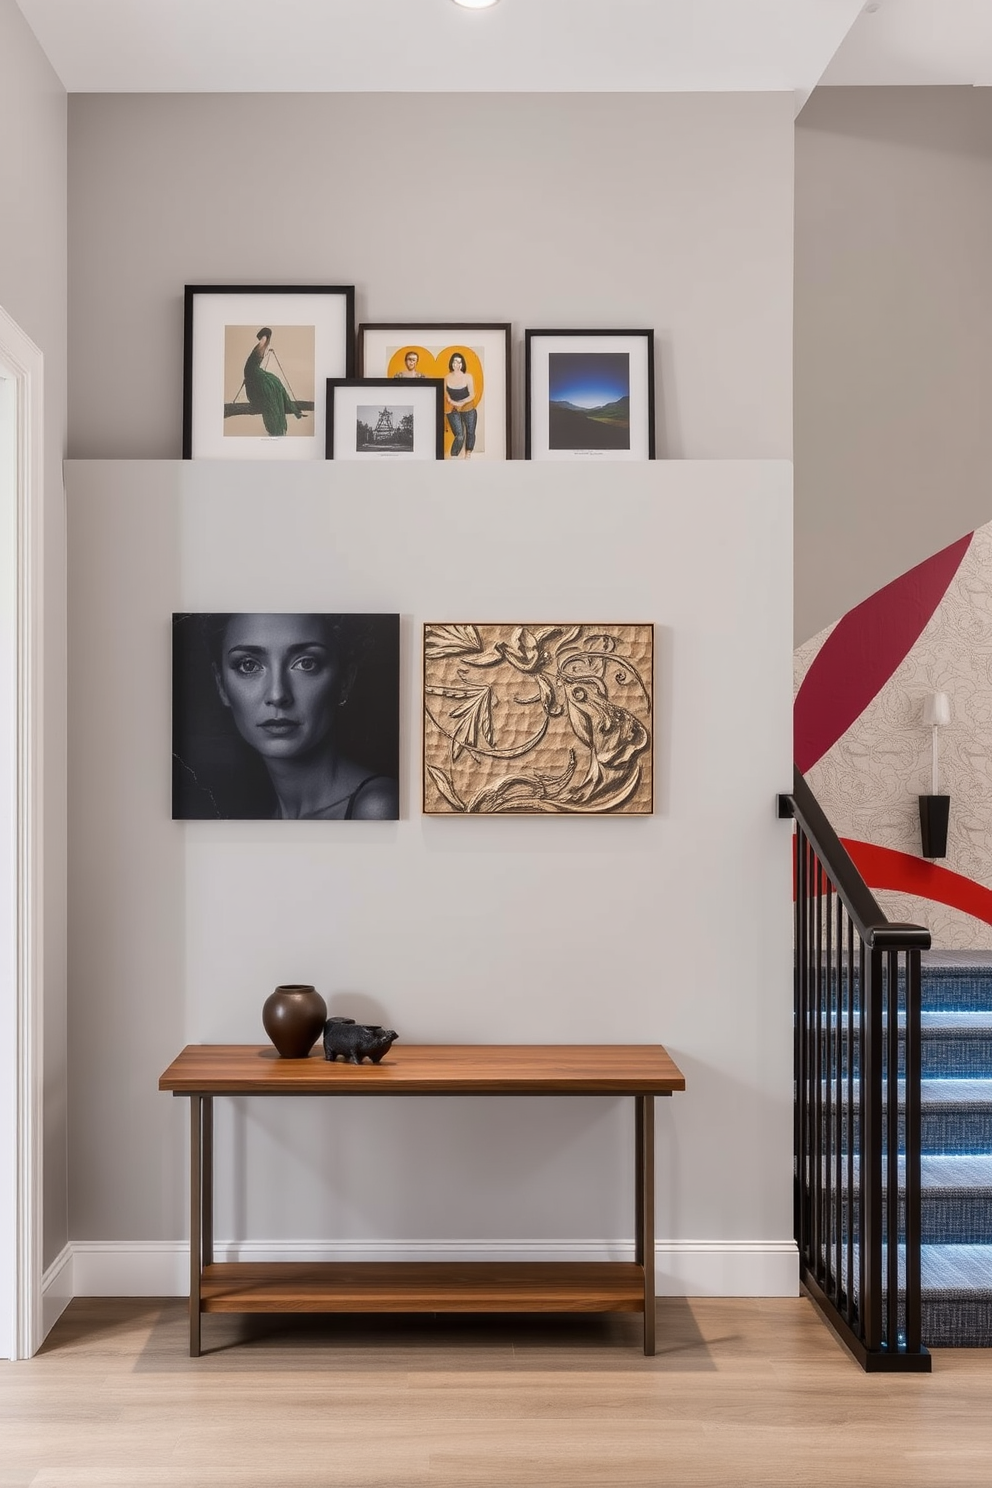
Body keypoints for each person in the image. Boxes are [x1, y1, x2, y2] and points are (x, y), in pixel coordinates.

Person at [207, 613, 398, 820]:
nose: (278, 695)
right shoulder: (264, 821)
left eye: (306, 663)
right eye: (249, 665)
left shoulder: (377, 808)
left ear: (345, 681)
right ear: (221, 685)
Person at [242, 328, 303, 437]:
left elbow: (256, 358)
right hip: (252, 372)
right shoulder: (263, 342)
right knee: (271, 384)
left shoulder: (263, 345)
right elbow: (256, 357)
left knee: (274, 381)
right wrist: (265, 341)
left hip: (253, 371)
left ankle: (288, 408)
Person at [444, 352, 477, 459]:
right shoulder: (447, 377)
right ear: (451, 363)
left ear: (462, 364)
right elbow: (446, 393)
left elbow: (472, 394)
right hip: (453, 409)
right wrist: (451, 401)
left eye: (459, 362)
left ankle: (468, 453)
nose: (456, 364)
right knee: (459, 436)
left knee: (470, 432)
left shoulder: (468, 377)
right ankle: (454, 456)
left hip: (468, 408)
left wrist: (461, 403)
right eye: (454, 361)